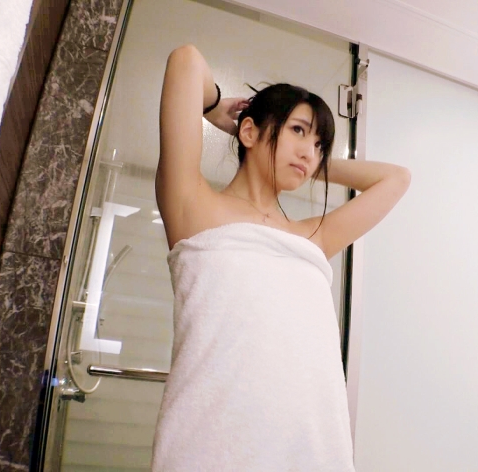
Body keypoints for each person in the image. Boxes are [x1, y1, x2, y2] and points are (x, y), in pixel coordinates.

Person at [152, 44, 410, 471]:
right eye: (298, 130)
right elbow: (186, 60)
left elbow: (396, 179)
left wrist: (311, 162)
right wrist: (217, 111)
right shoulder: (193, 206)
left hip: (311, 451)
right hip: (213, 447)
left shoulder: (311, 237)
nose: (310, 150)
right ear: (250, 132)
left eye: (319, 143)